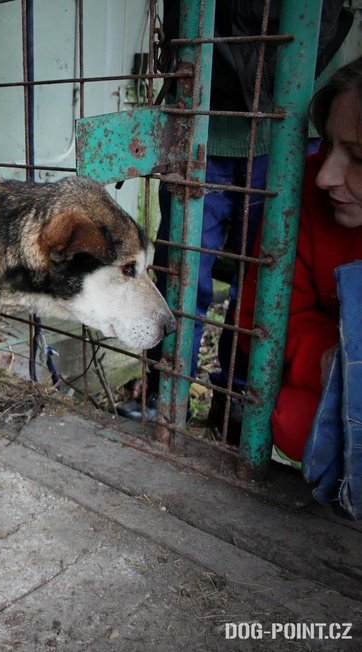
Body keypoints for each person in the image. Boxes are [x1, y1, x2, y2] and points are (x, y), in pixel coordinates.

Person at [116, 0, 352, 425]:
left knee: (267, 280)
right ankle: (165, 387)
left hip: (290, 131)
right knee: (182, 270)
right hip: (203, 124)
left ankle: (240, 396)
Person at [238, 56, 362, 464]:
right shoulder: (302, 191)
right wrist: (336, 361)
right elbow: (255, 320)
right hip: (337, 380)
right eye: (328, 143)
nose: (326, 176)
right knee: (295, 421)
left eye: (358, 157)